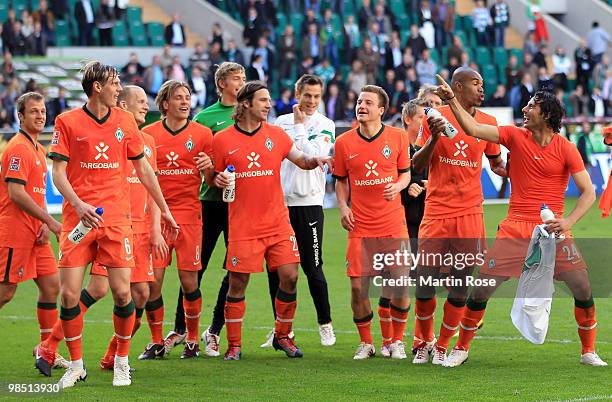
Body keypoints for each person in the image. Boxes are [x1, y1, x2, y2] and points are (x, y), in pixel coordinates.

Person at [435, 76, 608, 368]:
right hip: (515, 226)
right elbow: (473, 128)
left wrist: (568, 222)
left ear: (547, 115)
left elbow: (589, 192)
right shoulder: (514, 136)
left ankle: (588, 351)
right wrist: (452, 99)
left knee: (583, 287)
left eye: (531, 106)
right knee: (481, 290)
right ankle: (461, 348)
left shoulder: (566, 148)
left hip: (551, 230)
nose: (524, 109)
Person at [47, 61, 178, 388]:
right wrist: (78, 204)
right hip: (79, 220)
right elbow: (58, 174)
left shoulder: (124, 122)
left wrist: (165, 210)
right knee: (68, 296)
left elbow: (145, 170)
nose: (119, 89)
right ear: (97, 87)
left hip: (117, 222)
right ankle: (76, 365)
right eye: (114, 83)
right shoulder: (67, 122)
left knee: (123, 294)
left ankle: (121, 361)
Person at [206, 81, 333, 360]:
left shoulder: (276, 135)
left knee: (290, 276)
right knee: (238, 283)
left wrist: (317, 160)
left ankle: (283, 335)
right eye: (263, 100)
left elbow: (301, 159)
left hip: (277, 222)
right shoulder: (222, 139)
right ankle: (234, 345)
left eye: (269, 99)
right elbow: (213, 180)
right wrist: (215, 177)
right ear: (246, 104)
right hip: (243, 225)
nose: (268, 104)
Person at [411, 67, 505, 366]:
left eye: (483, 83)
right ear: (457, 87)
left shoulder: (489, 123)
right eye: (475, 84)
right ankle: (423, 342)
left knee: (461, 283)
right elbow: (417, 163)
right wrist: (434, 139)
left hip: (470, 213)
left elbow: (497, 164)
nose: (482, 89)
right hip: (437, 211)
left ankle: (442, 345)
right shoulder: (436, 117)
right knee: (425, 282)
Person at [167, 62, 246, 358]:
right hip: (209, 202)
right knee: (194, 268)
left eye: (243, 78)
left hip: (239, 205)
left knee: (235, 269)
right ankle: (180, 328)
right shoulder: (205, 118)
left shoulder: (248, 114)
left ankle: (214, 330)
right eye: (236, 78)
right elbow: (195, 159)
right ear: (222, 82)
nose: (241, 82)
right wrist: (212, 172)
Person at [333, 85, 412, 360]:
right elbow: (340, 181)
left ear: (381, 110)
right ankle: (367, 343)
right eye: (359, 101)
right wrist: (343, 206)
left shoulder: (398, 137)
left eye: (368, 102)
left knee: (400, 284)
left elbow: (406, 174)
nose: (361, 106)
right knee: (358, 288)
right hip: (360, 227)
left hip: (392, 224)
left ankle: (396, 341)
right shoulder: (343, 142)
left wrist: (398, 187)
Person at [141, 80, 214, 360]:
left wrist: (209, 170)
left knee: (189, 281)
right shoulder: (148, 135)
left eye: (187, 97)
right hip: (157, 215)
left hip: (189, 215)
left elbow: (210, 181)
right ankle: (156, 340)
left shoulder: (203, 134)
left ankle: (193, 340)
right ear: (164, 104)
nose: (185, 102)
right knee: (153, 282)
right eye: (178, 98)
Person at [263, 74, 336, 347]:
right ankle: (281, 329)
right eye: (307, 95)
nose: (312, 101)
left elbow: (313, 156)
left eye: (317, 96)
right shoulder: (279, 123)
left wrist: (299, 126)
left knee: (312, 267)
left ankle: (325, 323)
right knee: (276, 269)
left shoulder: (325, 125)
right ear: (297, 93)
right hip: (280, 205)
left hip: (308, 205)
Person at [0, 92, 67, 371]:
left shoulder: (39, 150)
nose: (40, 116)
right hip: (14, 230)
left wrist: (41, 222)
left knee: (52, 287)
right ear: (20, 116)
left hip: (35, 232)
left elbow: (36, 194)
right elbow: (16, 193)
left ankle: (46, 350)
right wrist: (50, 221)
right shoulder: (17, 148)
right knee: (5, 293)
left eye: (42, 111)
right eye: (34, 112)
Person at [400, 98, 429, 254]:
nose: (426, 122)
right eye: (421, 117)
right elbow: (384, 184)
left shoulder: (433, 148)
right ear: (407, 119)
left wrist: (434, 185)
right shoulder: (394, 148)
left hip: (430, 225)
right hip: (402, 225)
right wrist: (407, 189)